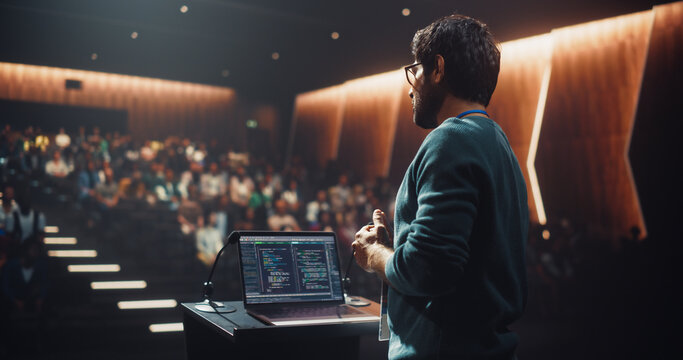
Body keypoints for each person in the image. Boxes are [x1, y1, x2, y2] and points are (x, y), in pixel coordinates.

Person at [352, 15, 529, 360]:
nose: (410, 85)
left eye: (415, 69)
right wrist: (397, 248)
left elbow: (429, 268)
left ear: (438, 69)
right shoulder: (498, 143)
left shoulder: (450, 139)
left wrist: (374, 255)